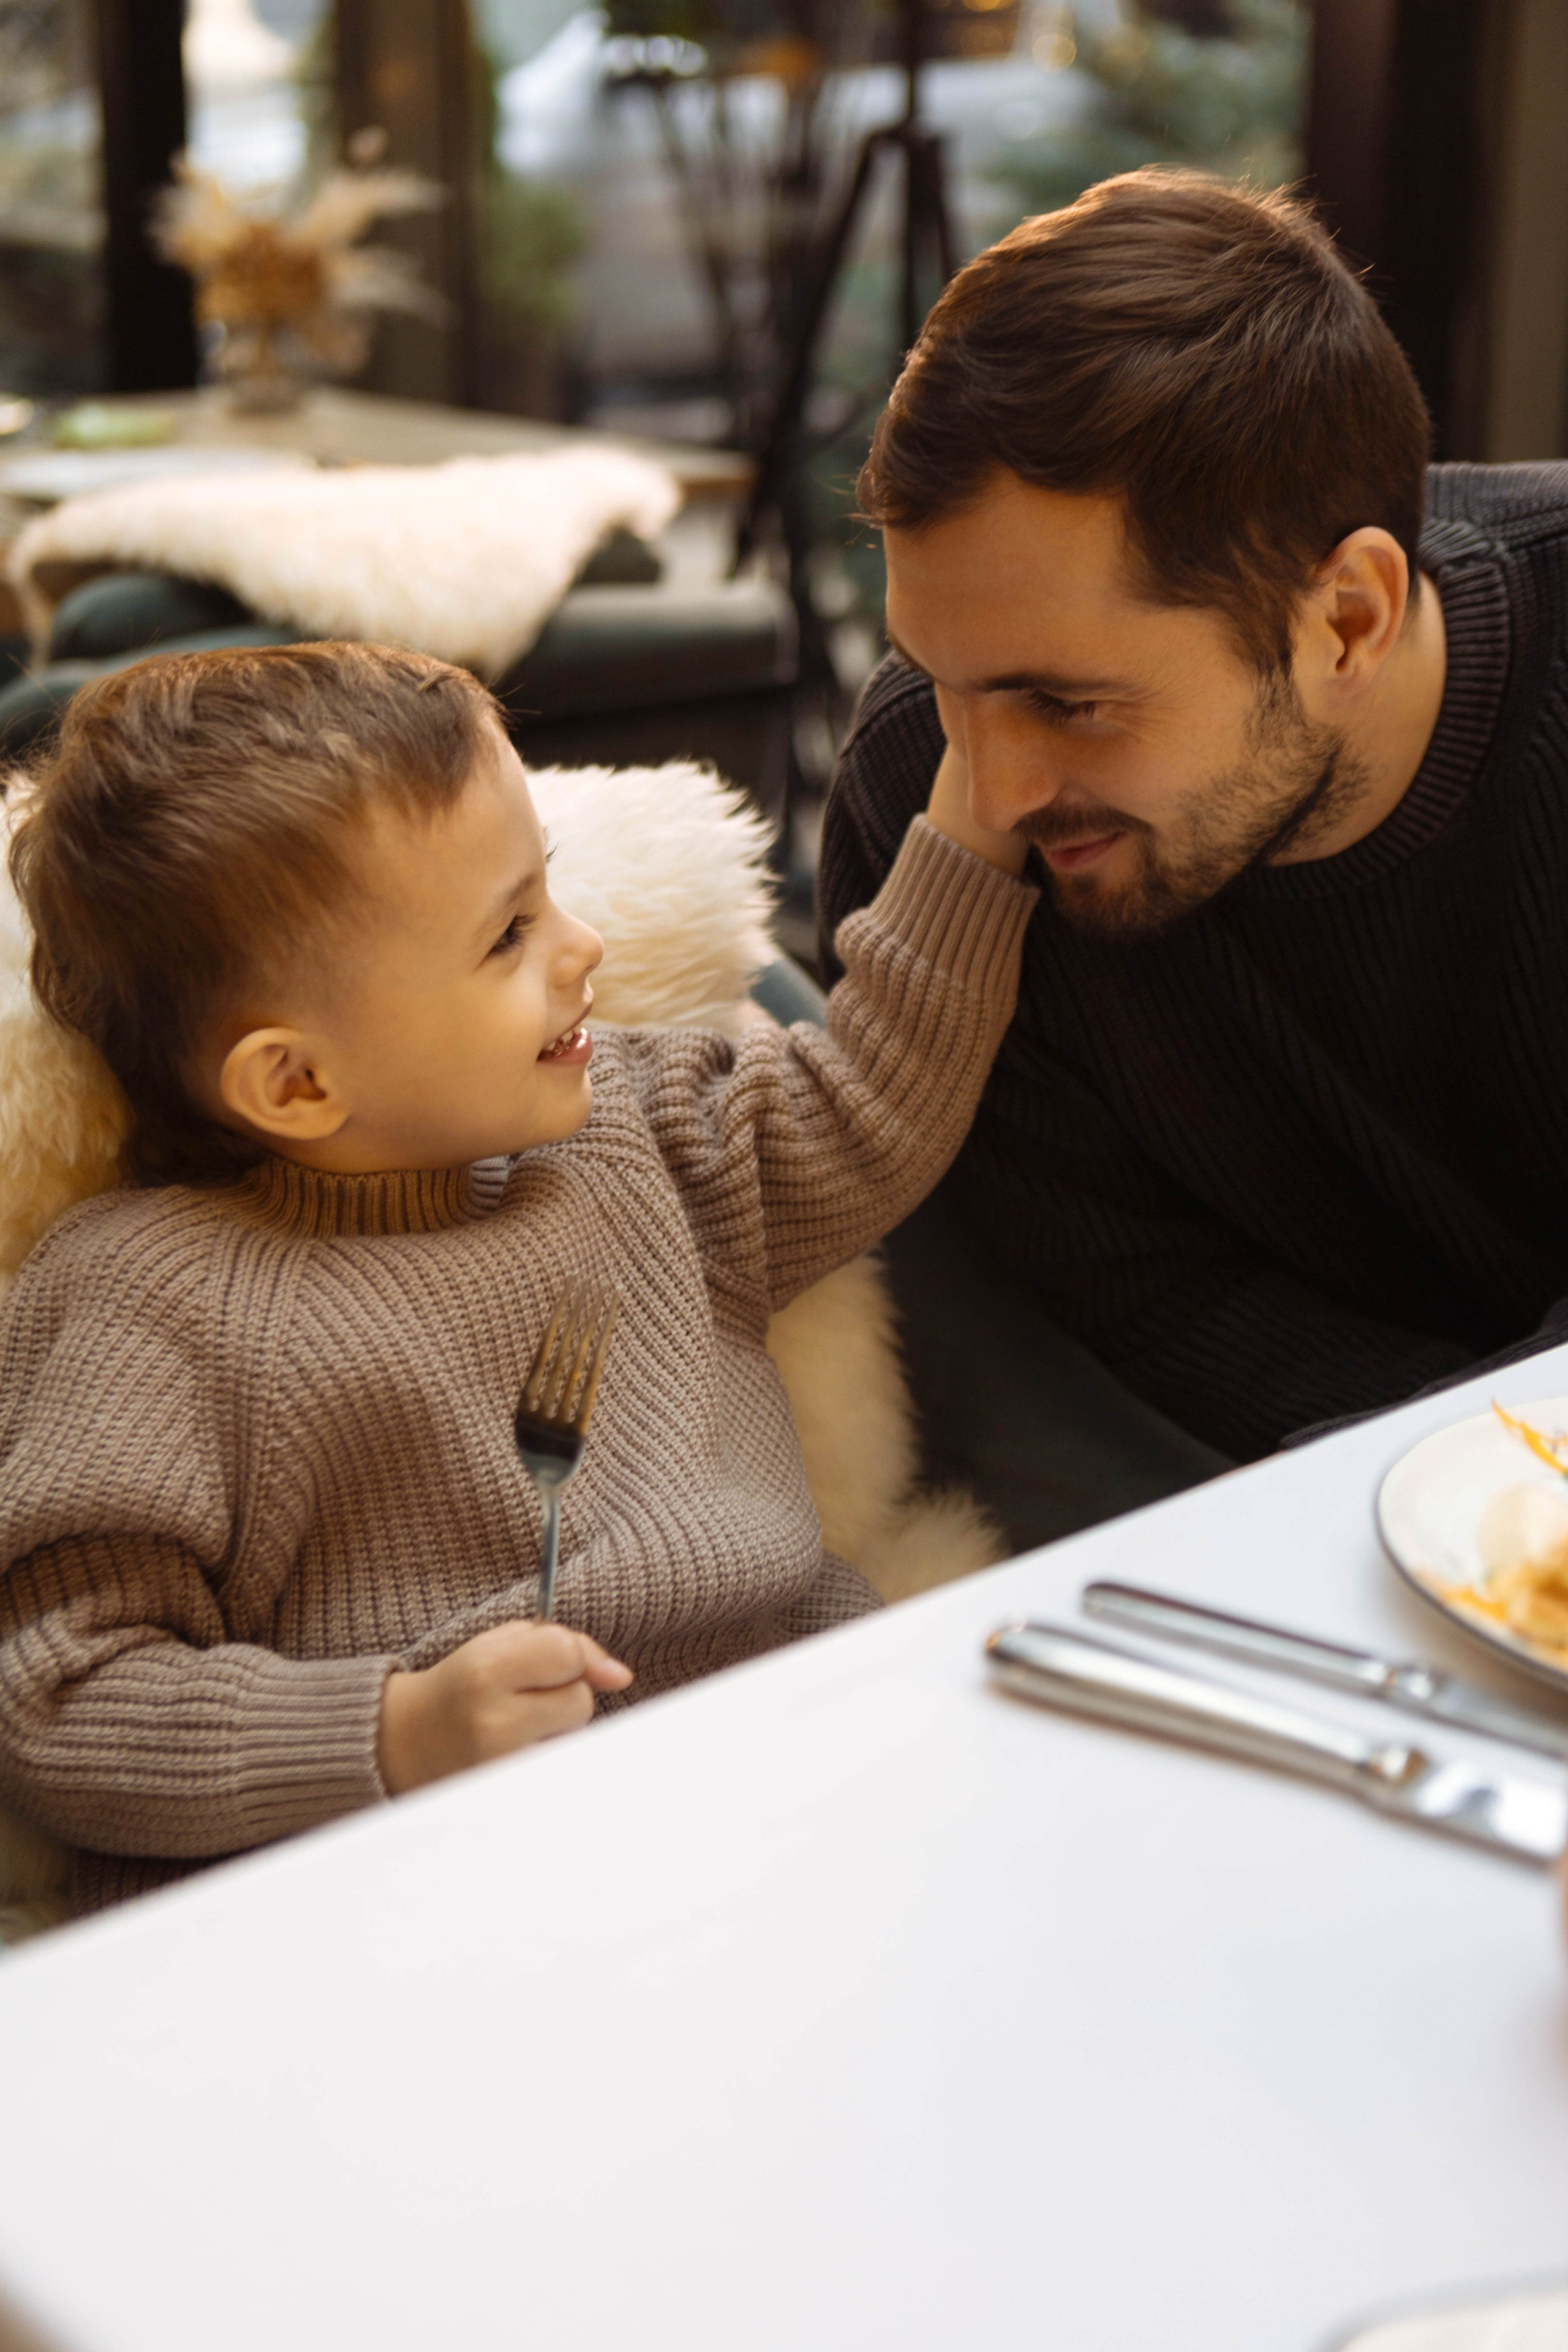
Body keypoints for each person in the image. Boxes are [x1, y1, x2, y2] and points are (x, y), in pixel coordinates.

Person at [0, 639, 1035, 1915]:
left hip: (804, 1767)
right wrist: (391, 1733)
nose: (582, 946)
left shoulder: (636, 1128)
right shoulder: (146, 1301)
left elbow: (872, 1100)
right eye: (508, 934)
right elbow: (63, 1693)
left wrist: (974, 823)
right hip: (423, 1893)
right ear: (297, 1081)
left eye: (548, 890)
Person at [816, 166, 1568, 1552]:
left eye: (1067, 701)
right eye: (941, 679)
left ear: (1345, 617)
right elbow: (1130, 1286)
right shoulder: (915, 798)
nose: (985, 795)